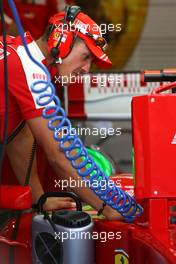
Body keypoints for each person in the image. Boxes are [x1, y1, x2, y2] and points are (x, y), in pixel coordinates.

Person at [0, 5, 122, 220]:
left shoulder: (18, 51)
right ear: (60, 40)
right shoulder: (30, 69)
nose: (86, 69)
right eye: (85, 56)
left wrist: (38, 198)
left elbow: (18, 135)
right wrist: (108, 209)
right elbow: (58, 156)